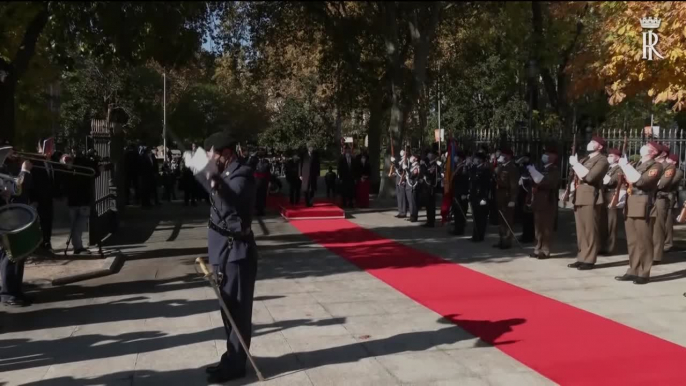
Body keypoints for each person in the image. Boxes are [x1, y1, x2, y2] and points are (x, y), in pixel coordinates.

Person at [194, 131, 258, 383]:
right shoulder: (223, 174)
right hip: (223, 252)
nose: (211, 158)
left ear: (227, 154)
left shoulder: (241, 174)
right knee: (227, 308)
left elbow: (230, 202)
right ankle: (231, 356)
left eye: (214, 154)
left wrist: (214, 182)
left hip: (236, 253)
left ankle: (237, 364)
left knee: (238, 312)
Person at [615, 141, 662, 285]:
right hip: (630, 202)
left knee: (644, 240)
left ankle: (644, 272)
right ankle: (633, 269)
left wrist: (626, 166)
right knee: (633, 241)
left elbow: (642, 182)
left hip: (643, 203)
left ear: (654, 152)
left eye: (649, 147)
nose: (645, 147)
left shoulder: (656, 166)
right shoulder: (636, 164)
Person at [567, 136, 609, 271]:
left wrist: (576, 165)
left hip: (591, 196)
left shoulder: (602, 160)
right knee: (581, 230)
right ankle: (581, 256)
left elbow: (590, 177)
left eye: (594, 142)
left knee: (590, 229)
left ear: (600, 147)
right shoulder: (585, 159)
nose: (590, 143)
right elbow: (574, 176)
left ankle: (589, 259)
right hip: (579, 195)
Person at [0, 155, 33, 306]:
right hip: (4, 219)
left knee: (15, 254)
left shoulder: (5, 169)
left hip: (7, 216)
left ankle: (15, 291)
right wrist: (24, 171)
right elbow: (20, 189)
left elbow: (15, 189)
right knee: (9, 254)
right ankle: (8, 293)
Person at [61, 154, 100, 255]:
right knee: (78, 226)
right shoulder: (83, 167)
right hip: (80, 201)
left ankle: (77, 246)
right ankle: (78, 247)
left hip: (77, 201)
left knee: (76, 225)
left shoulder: (79, 168)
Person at [527, 147, 560, 259]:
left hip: (547, 201)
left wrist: (538, 182)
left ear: (553, 157)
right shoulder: (541, 169)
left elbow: (550, 183)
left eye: (548, 153)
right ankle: (537, 248)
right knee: (538, 227)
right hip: (538, 200)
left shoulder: (554, 170)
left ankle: (545, 250)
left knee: (546, 227)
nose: (545, 155)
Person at [599, 148, 624, 256]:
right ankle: (602, 246)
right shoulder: (608, 168)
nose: (609, 157)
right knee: (603, 223)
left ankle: (610, 247)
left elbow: (612, 181)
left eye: (612, 156)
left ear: (618, 157)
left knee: (611, 223)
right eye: (609, 155)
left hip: (612, 194)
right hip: (604, 195)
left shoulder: (619, 168)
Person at [493, 148, 519, 249]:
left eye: (504, 155)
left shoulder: (512, 168)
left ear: (509, 156)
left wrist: (513, 199)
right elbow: (494, 173)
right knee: (501, 220)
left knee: (507, 220)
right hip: (500, 195)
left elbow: (514, 185)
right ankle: (501, 239)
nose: (502, 157)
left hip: (507, 196)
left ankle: (507, 241)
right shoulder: (501, 167)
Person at [652, 144, 673, 265]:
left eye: (656, 151)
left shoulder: (669, 167)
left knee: (657, 228)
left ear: (663, 154)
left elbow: (661, 184)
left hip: (660, 198)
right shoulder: (652, 164)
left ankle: (656, 255)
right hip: (648, 198)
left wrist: (648, 182)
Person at [469, 152, 491, 242]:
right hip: (474, 195)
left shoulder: (485, 169)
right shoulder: (474, 168)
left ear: (481, 160)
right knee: (475, 216)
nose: (474, 160)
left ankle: (480, 235)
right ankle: (475, 235)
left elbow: (487, 185)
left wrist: (484, 198)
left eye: (476, 158)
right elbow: (471, 181)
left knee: (481, 217)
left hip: (482, 196)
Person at [664, 154, 683, 253]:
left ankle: (668, 243)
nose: (666, 160)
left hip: (670, 198)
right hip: (660, 197)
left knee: (668, 221)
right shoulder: (664, 169)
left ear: (674, 162)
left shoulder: (678, 172)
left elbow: (669, 183)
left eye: (669, 159)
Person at [516, 153, 535, 243]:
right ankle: (525, 234)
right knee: (524, 217)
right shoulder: (523, 166)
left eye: (525, 158)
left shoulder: (531, 167)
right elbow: (516, 164)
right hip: (522, 195)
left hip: (528, 195)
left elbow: (529, 183)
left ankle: (528, 236)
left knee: (529, 217)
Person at [451, 151, 470, 235]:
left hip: (461, 193)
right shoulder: (458, 167)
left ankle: (460, 229)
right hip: (456, 192)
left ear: (460, 158)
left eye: (457, 156)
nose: (455, 158)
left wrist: (464, 193)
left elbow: (464, 182)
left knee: (460, 211)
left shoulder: (463, 168)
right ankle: (457, 228)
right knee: (456, 211)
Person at [423, 149, 440, 227]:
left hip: (431, 187)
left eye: (431, 154)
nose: (429, 155)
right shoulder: (429, 164)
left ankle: (431, 222)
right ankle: (428, 220)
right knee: (428, 205)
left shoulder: (434, 165)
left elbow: (430, 174)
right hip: (427, 187)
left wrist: (425, 172)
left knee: (431, 205)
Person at [392, 150, 409, 218]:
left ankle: (403, 212)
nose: (401, 153)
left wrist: (394, 161)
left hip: (402, 179)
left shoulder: (406, 160)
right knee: (399, 196)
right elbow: (398, 169)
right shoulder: (401, 160)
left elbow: (401, 169)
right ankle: (400, 211)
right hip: (398, 178)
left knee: (402, 196)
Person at [253, 150, 271, 216]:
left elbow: (268, 172)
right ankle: (260, 209)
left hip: (260, 180)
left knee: (260, 196)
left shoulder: (258, 161)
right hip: (261, 180)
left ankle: (260, 209)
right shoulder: (262, 162)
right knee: (260, 196)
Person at [408, 154, 422, 222]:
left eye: (413, 157)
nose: (411, 157)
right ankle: (412, 215)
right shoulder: (412, 165)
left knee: (414, 202)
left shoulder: (416, 166)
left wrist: (407, 170)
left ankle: (414, 216)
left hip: (415, 185)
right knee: (412, 201)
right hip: (412, 184)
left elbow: (412, 175)